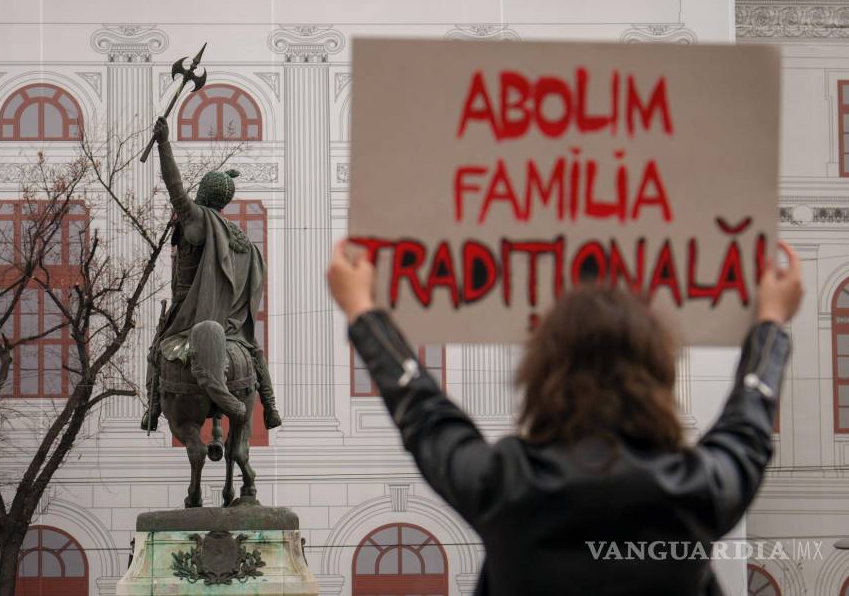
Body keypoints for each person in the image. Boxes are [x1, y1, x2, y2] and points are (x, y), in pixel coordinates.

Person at [327, 240, 803, 596]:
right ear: (657, 374)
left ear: (541, 375)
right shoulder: (699, 489)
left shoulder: (506, 485)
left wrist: (363, 310)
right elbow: (750, 415)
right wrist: (770, 322)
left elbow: (423, 410)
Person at [141, 116, 281, 432]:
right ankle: (270, 407)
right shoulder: (242, 240)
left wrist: (163, 144)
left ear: (203, 194)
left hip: (189, 317)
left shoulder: (196, 220)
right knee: (254, 350)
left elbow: (174, 185)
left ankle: (151, 410)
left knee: (155, 353)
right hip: (232, 326)